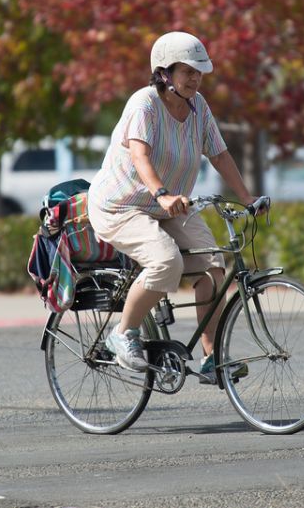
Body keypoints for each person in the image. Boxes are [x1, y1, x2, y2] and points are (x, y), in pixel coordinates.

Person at [87, 31, 258, 383]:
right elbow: (140, 155)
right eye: (188, 71)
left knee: (213, 265)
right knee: (166, 261)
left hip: (168, 209)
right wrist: (162, 192)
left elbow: (220, 154)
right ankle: (123, 333)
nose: (196, 78)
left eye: (199, 72)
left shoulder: (199, 108)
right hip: (122, 207)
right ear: (165, 73)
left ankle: (212, 359)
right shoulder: (144, 104)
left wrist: (246, 196)